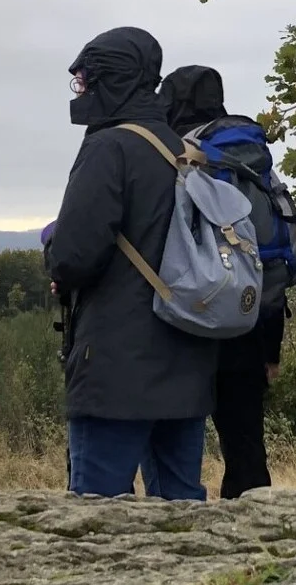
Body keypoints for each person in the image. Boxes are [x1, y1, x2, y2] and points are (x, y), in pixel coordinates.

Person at [50, 29, 217, 500]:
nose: (80, 91)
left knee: (96, 515)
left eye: (85, 79)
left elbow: (74, 255)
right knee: (182, 508)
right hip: (186, 353)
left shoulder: (109, 147)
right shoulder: (184, 150)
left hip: (115, 366)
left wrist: (54, 259)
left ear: (111, 80)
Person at [158, 64, 286, 499]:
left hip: (188, 318)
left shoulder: (180, 153)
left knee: (176, 440)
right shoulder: (251, 158)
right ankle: (255, 530)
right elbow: (266, 254)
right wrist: (271, 349)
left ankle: (181, 525)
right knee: (246, 442)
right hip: (248, 320)